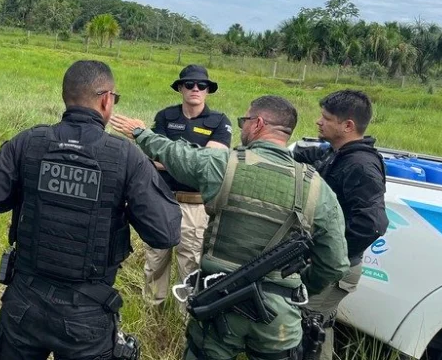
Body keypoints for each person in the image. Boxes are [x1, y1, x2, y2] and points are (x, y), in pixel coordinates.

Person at [0, 60, 181, 359]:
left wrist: (28, 188)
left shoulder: (29, 142)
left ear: (66, 96)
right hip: (85, 316)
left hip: (24, 304)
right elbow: (165, 232)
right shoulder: (126, 156)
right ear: (106, 100)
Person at [110, 95, 349, 360]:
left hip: (218, 306)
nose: (241, 127)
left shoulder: (223, 164)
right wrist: (298, 288)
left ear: (258, 123)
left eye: (244, 121)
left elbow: (176, 154)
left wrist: (141, 133)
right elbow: (335, 264)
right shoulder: (317, 188)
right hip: (278, 318)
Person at [292, 90, 388, 359]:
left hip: (334, 266)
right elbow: (307, 156)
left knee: (305, 326)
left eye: (326, 118)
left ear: (347, 126)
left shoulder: (361, 165)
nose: (318, 121)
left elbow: (373, 224)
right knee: (316, 325)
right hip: (328, 262)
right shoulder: (338, 154)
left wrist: (330, 252)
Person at [145, 65, 232, 308]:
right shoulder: (165, 117)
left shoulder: (219, 122)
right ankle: (152, 313)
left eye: (201, 85)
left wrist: (170, 157)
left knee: (190, 265)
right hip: (162, 200)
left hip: (195, 205)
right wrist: (194, 159)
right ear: (180, 88)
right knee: (155, 260)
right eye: (190, 84)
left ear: (208, 90)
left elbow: (211, 164)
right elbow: (153, 154)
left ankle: (186, 316)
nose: (195, 89)